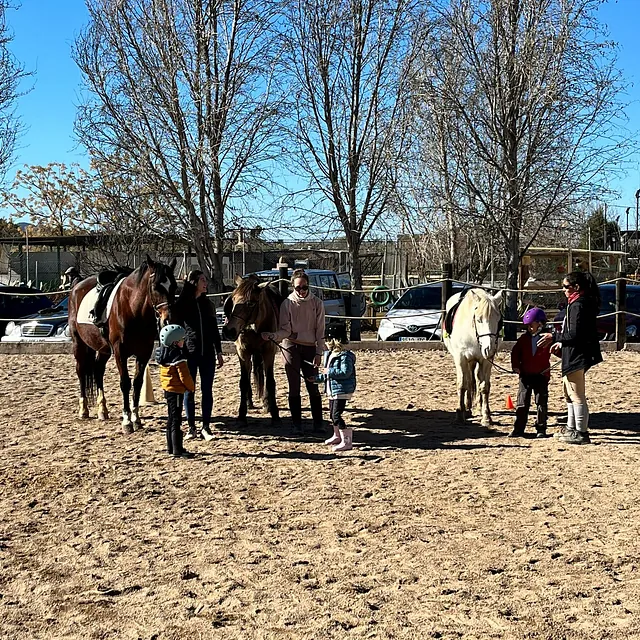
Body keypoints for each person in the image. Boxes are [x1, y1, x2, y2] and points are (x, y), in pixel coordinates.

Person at [539, 271, 602, 445]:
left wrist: (555, 337)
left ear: (576, 287)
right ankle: (572, 428)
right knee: (569, 392)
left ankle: (581, 433)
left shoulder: (578, 305)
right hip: (575, 351)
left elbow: (574, 333)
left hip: (577, 354)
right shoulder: (578, 304)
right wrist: (561, 342)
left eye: (566, 287)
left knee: (577, 394)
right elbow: (575, 332)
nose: (563, 290)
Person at [261, 269, 326, 435]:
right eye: (298, 288)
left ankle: (318, 422)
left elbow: (320, 331)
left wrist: (319, 352)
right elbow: (286, 329)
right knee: (294, 386)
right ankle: (297, 424)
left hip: (310, 347)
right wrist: (273, 336)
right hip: (291, 346)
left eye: (304, 287)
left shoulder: (317, 303)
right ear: (293, 287)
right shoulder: (287, 304)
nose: (302, 291)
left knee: (313, 385)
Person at [179, 270, 224, 441]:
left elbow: (213, 329)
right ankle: (191, 427)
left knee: (207, 390)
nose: (206, 283)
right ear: (194, 283)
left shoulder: (208, 304)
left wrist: (219, 351)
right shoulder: (184, 304)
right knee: (189, 390)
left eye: (205, 280)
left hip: (208, 354)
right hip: (190, 353)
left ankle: (206, 426)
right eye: (202, 280)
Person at [310, 323, 357, 451]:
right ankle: (337, 435)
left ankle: (347, 441)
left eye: (328, 340)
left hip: (341, 390)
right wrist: (317, 379)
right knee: (332, 414)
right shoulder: (330, 354)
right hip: (332, 389)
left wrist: (328, 371)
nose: (326, 342)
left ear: (334, 340)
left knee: (337, 415)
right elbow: (327, 373)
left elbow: (345, 372)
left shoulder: (345, 356)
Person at [509, 307, 551, 438]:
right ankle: (519, 429)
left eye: (531, 325)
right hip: (525, 376)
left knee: (541, 403)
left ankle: (541, 429)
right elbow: (515, 353)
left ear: (540, 324)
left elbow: (558, 350)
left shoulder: (547, 338)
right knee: (522, 403)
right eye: (528, 326)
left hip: (541, 375)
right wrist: (515, 366)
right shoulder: (522, 339)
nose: (529, 328)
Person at [155, 324, 196, 459]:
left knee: (170, 419)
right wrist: (191, 387)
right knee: (176, 420)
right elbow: (185, 376)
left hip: (168, 390)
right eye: (182, 339)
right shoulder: (178, 357)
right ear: (175, 341)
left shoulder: (162, 354)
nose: (184, 341)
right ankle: (178, 449)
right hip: (177, 391)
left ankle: (171, 447)